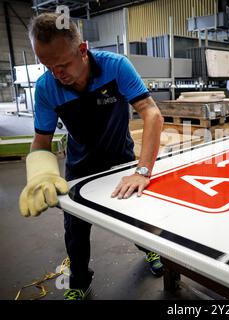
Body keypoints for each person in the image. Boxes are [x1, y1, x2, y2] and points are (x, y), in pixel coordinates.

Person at [19, 13, 164, 300]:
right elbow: (41, 140)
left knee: (135, 214)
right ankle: (79, 281)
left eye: (62, 64)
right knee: (75, 230)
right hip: (80, 166)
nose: (57, 74)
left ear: (82, 49)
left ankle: (150, 249)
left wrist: (142, 170)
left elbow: (151, 113)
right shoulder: (46, 87)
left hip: (120, 160)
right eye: (48, 66)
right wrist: (41, 175)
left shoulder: (116, 66)